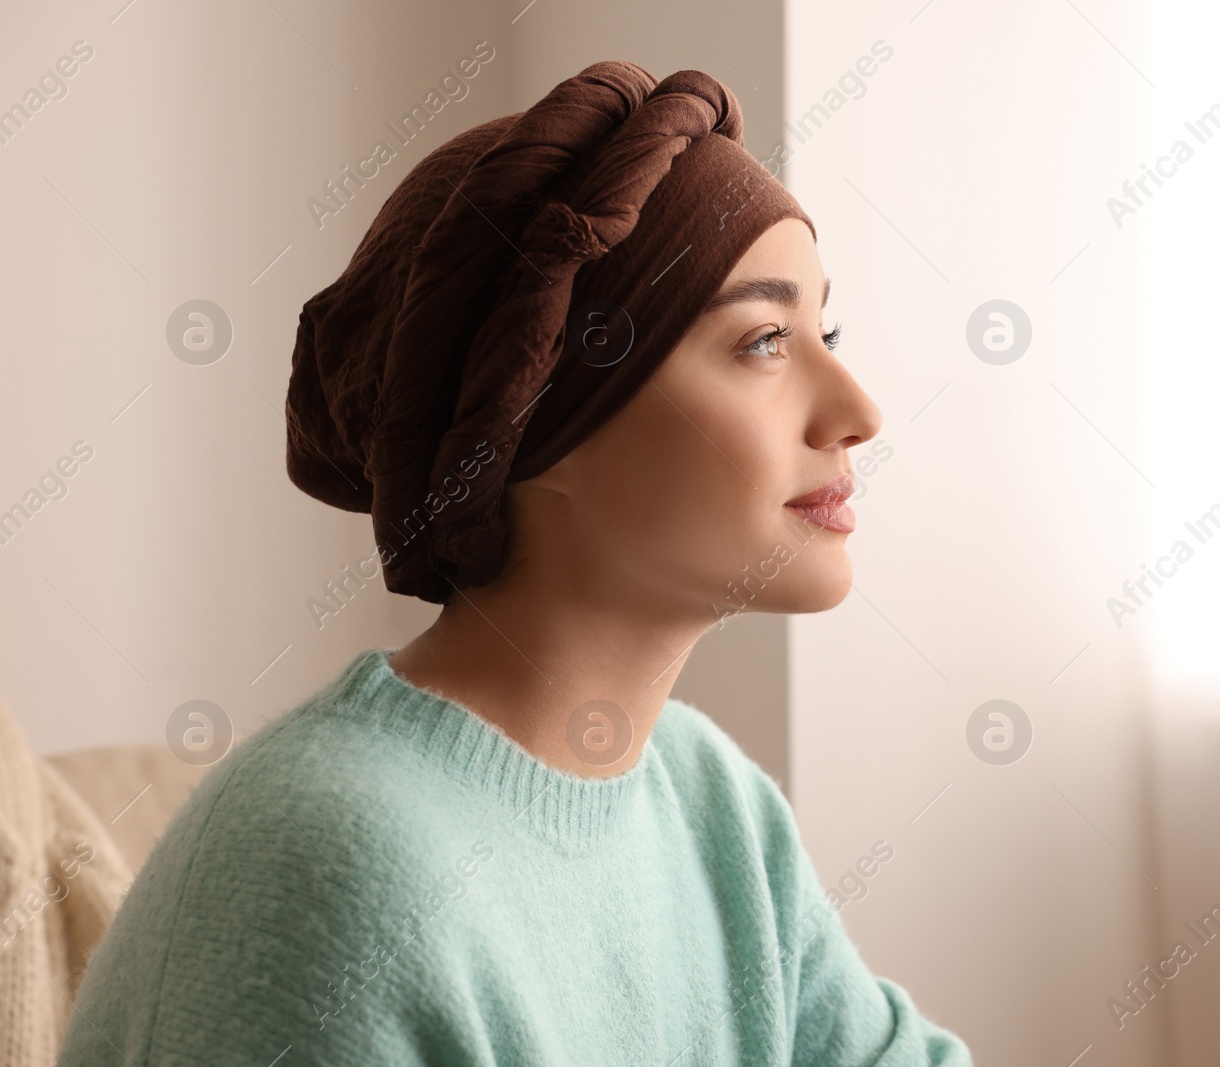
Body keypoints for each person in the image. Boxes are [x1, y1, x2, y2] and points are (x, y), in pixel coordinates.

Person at [58, 60, 974, 1066]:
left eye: (822, 328)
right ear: (534, 414)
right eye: (762, 340)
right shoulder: (333, 866)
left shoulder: (711, 805)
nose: (858, 408)